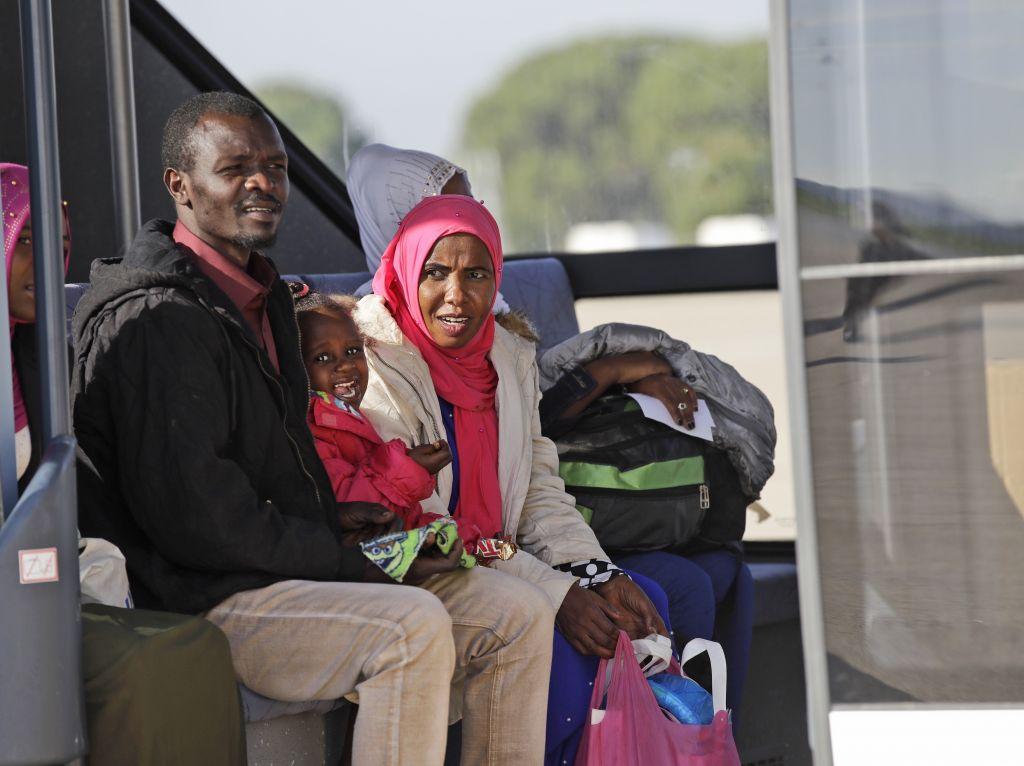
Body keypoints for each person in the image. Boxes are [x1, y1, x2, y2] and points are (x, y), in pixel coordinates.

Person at [71, 92, 553, 766]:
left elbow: (275, 477)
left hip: (285, 573)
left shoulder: (263, 299)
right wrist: (350, 559)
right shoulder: (157, 321)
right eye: (236, 168)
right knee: (409, 629)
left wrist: (359, 526)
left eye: (274, 166)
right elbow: (198, 524)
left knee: (516, 613)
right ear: (179, 186)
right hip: (202, 600)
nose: (263, 183)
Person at [353, 194, 672, 764]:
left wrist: (596, 572)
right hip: (415, 566)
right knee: (565, 639)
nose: (457, 295)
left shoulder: (507, 351)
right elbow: (424, 521)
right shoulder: (375, 359)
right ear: (405, 271)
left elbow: (538, 489)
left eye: (475, 274)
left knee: (644, 606)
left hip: (494, 558)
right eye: (435, 273)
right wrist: (558, 593)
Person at [2, 162, 246, 765]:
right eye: (24, 242)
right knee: (143, 662)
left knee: (194, 646)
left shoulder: (40, 355)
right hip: (19, 604)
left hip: (42, 589)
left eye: (59, 245)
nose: (47, 263)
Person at [296, 288, 451, 527]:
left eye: (352, 351)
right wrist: (410, 467)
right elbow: (356, 509)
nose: (345, 366)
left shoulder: (349, 417)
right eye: (323, 358)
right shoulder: (313, 432)